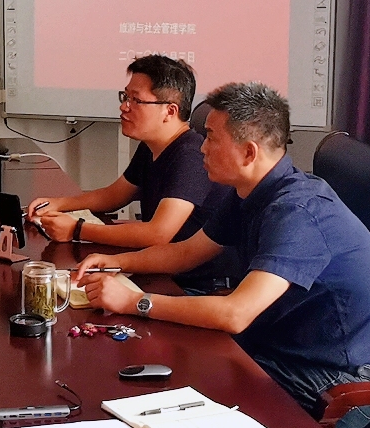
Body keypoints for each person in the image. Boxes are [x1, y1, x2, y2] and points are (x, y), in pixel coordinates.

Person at [75, 82, 370, 428]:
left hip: (334, 383)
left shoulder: (298, 212)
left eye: (211, 138)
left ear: (248, 152)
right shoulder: (250, 191)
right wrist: (114, 262)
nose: (202, 148)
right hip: (280, 347)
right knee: (161, 358)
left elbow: (235, 313)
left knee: (181, 401)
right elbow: (186, 253)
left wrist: (134, 302)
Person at [27, 55, 238, 293]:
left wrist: (76, 229)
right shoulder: (152, 146)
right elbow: (115, 195)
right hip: (161, 269)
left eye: (136, 100)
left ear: (170, 111)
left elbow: (158, 233)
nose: (124, 106)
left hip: (198, 286)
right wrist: (59, 204)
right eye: (125, 96)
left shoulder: (190, 155)